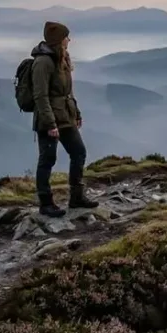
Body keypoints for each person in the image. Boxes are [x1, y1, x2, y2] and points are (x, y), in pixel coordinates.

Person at [31, 21, 97, 218]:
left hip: (66, 116)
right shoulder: (42, 62)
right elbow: (40, 96)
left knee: (79, 152)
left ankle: (76, 197)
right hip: (48, 119)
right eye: (66, 36)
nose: (69, 39)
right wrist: (51, 124)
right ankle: (46, 203)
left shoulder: (63, 58)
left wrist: (76, 113)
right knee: (47, 160)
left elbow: (68, 91)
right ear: (59, 39)